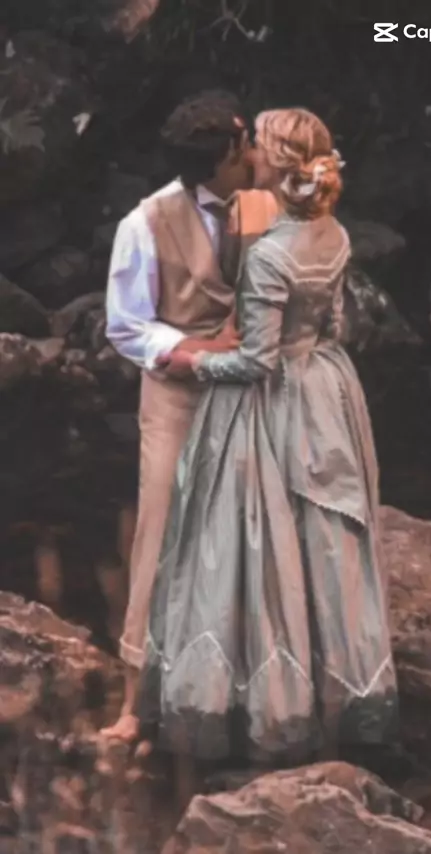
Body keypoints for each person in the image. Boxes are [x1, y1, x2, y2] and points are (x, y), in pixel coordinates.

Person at [138, 108, 398, 765]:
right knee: (322, 544)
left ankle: (264, 706)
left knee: (250, 543)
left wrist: (193, 362)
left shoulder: (271, 255)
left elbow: (257, 362)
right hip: (326, 390)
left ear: (274, 163)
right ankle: (342, 696)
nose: (245, 149)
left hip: (269, 403)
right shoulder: (333, 233)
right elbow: (333, 325)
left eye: (254, 141)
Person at [102, 90, 278, 742]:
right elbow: (126, 326)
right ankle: (136, 699)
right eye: (245, 144)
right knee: (161, 536)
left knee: (253, 538)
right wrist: (198, 349)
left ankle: (242, 696)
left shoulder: (268, 206)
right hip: (178, 396)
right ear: (221, 160)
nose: (255, 151)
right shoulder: (144, 223)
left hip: (253, 396)